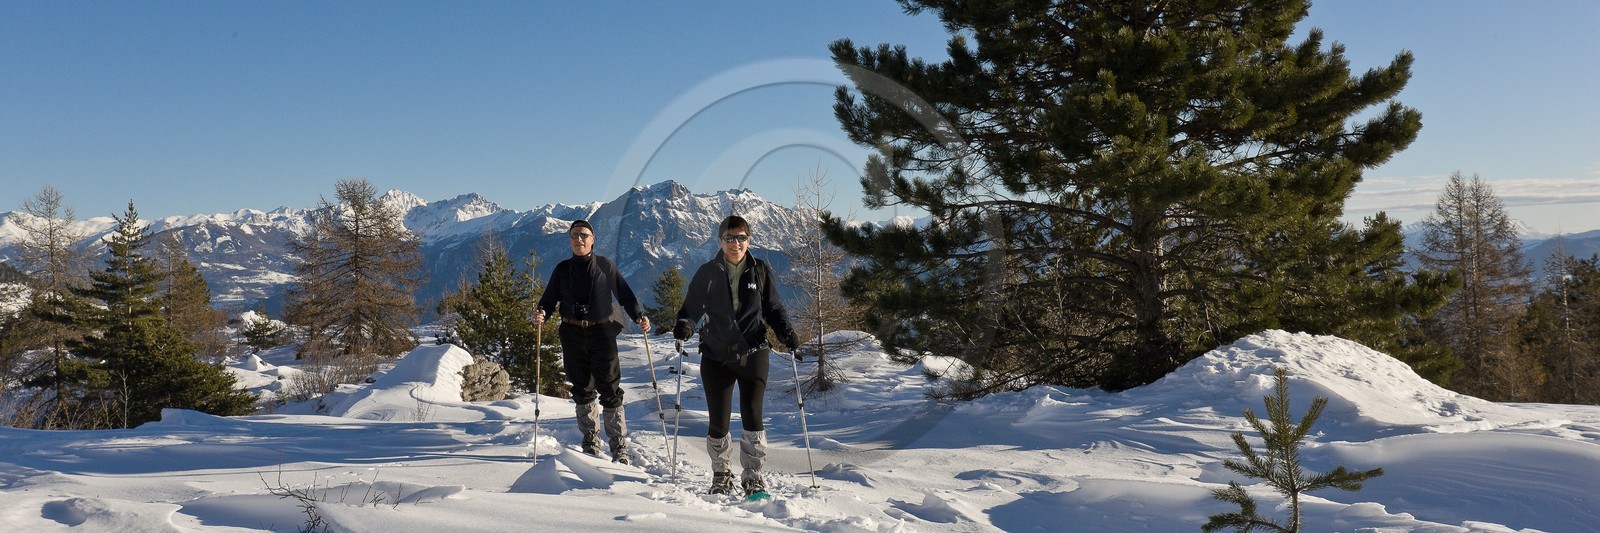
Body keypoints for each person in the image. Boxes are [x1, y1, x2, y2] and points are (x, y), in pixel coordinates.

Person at [673, 215, 799, 497]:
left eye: (741, 237)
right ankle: (721, 474)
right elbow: (691, 306)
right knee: (719, 420)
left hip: (754, 353)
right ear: (720, 241)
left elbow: (774, 309)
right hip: (716, 355)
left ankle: (753, 476)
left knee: (753, 416)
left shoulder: (760, 270)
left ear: (749, 240)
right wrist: (685, 325)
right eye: (730, 238)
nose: (736, 243)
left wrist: (786, 332)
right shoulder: (708, 271)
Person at [533, 219, 650, 464]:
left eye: (584, 235)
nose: (579, 239)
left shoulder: (605, 266)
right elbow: (548, 299)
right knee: (582, 388)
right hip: (572, 333)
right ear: (570, 240)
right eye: (574, 235)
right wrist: (541, 313)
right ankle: (591, 442)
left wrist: (639, 315)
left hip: (602, 332)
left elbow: (625, 295)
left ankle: (618, 446)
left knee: (610, 388)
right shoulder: (562, 269)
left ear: (593, 239)